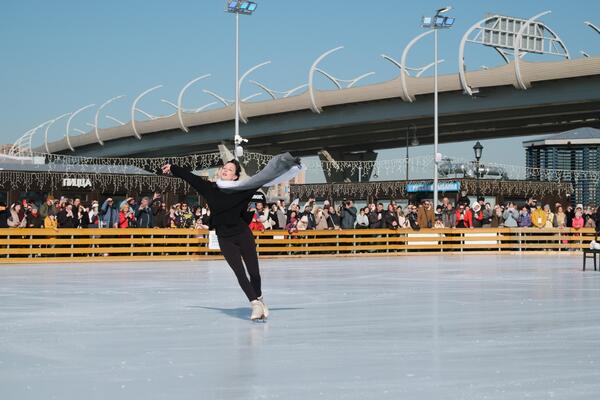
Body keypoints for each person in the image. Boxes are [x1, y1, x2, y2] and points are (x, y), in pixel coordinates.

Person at [163, 152, 302, 321]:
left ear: (235, 176)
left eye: (230, 169)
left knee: (254, 274)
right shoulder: (211, 188)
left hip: (243, 235)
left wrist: (287, 162)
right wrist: (173, 168)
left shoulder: (244, 190)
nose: (225, 170)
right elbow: (191, 178)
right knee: (240, 273)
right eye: (224, 168)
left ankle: (259, 297)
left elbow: (265, 176)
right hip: (224, 237)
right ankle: (255, 304)